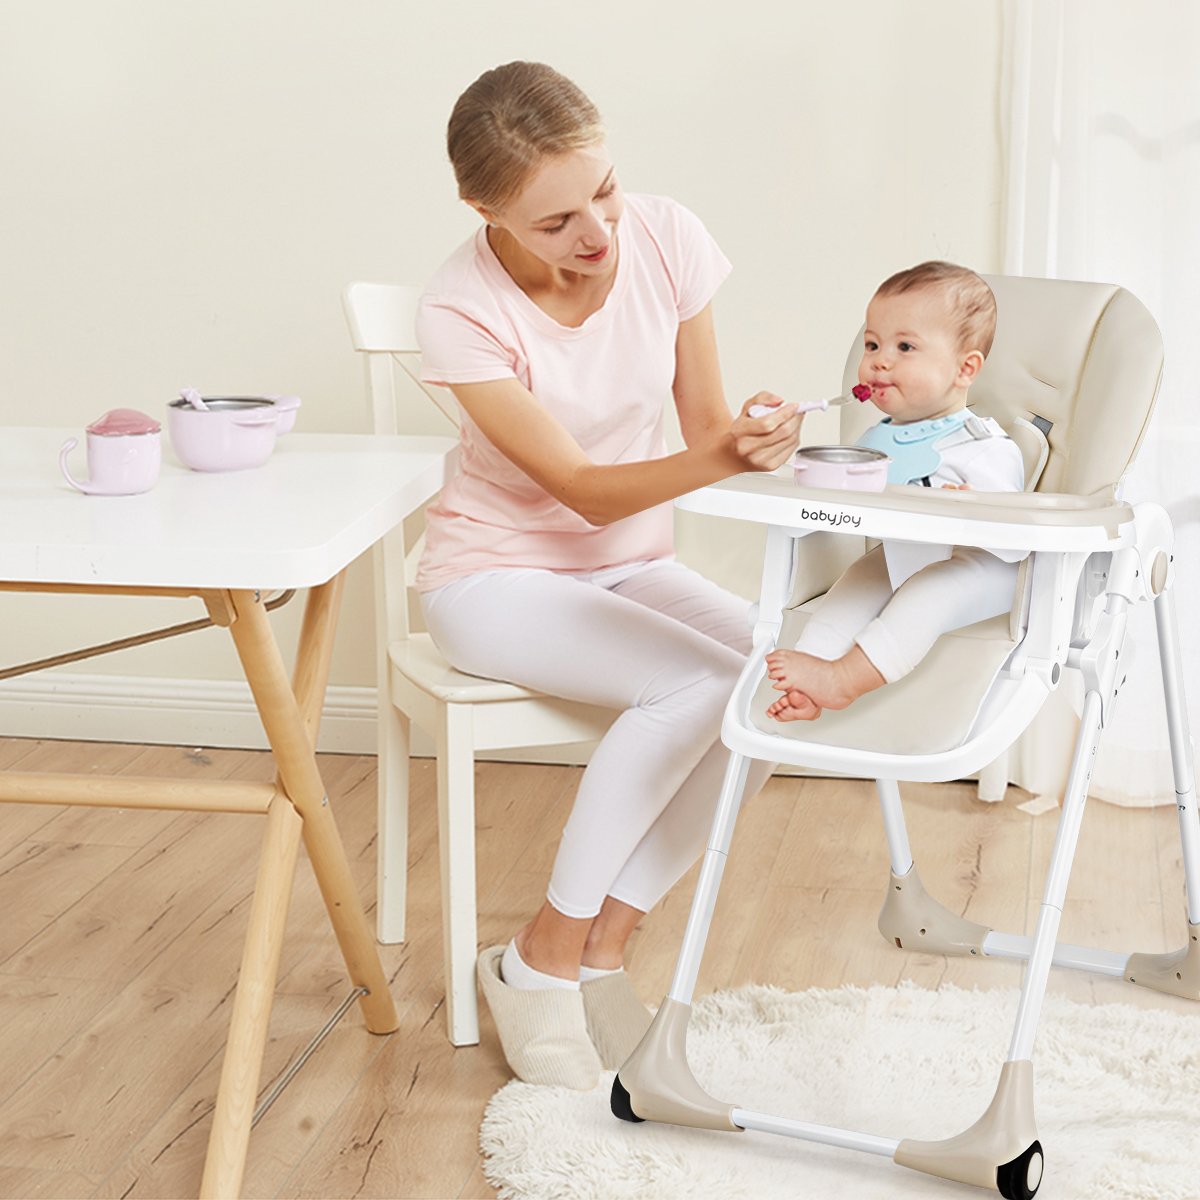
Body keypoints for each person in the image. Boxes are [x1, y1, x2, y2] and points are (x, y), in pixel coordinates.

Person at [413, 61, 800, 1089]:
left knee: (778, 688)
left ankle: (598, 947)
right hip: (490, 578)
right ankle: (539, 959)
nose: (596, 235)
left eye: (605, 192)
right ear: (482, 210)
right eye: (553, 222)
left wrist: (754, 437)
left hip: (628, 568)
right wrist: (726, 458)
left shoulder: (668, 235)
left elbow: (707, 431)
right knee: (702, 685)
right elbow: (581, 490)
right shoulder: (459, 310)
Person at [764, 261, 1025, 722]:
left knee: (929, 593)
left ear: (965, 369)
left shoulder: (982, 446)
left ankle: (844, 680)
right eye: (872, 344)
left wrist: (972, 508)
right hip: (908, 555)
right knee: (861, 578)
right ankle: (814, 668)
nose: (879, 359)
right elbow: (850, 507)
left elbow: (1016, 538)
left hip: (984, 572)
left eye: (905, 346)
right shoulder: (874, 445)